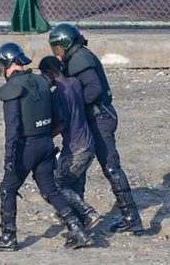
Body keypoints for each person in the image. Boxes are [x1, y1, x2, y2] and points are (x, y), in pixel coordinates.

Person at [0, 42, 93, 252]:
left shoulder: (13, 88)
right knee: (50, 190)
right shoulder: (41, 81)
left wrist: (9, 159)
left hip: (27, 147)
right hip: (46, 144)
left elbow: (12, 129)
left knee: (7, 189)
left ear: (8, 64)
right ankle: (77, 228)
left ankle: (8, 237)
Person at [47, 24, 145, 235]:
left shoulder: (80, 58)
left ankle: (131, 217)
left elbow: (94, 89)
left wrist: (75, 106)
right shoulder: (76, 58)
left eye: (57, 47)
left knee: (111, 167)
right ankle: (81, 218)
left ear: (66, 43)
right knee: (79, 171)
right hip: (94, 118)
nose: (56, 52)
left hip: (100, 118)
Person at [38, 55, 100, 230]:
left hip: (75, 147)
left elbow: (62, 123)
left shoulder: (58, 93)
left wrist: (44, 137)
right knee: (76, 184)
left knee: (57, 184)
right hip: (89, 143)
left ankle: (88, 212)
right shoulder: (75, 82)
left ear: (49, 73)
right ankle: (80, 225)